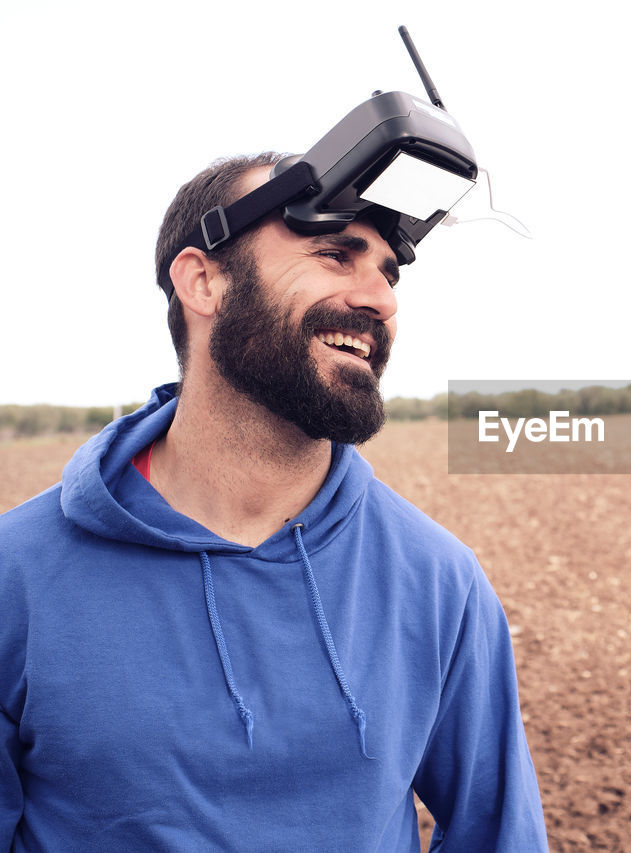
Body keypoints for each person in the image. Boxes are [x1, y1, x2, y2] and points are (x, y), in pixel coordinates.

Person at [0, 152, 549, 851]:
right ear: (204, 281)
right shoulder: (16, 577)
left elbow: (498, 835)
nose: (380, 298)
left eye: (387, 272)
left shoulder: (437, 581)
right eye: (333, 254)